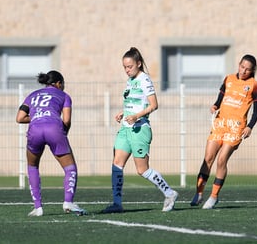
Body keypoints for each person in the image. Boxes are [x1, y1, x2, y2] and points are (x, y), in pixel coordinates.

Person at [102, 47, 178, 213]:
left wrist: (136, 116)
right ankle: (117, 203)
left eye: (129, 66)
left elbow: (153, 105)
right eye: (124, 67)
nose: (127, 70)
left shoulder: (144, 79)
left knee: (142, 170)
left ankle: (170, 193)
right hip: (125, 129)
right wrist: (123, 113)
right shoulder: (130, 81)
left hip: (140, 129)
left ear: (138, 63)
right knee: (117, 163)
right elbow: (134, 102)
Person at [190, 54, 257, 209]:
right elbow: (220, 99)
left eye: (247, 69)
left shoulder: (254, 85)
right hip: (220, 123)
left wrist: (250, 126)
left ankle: (214, 196)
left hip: (236, 127)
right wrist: (215, 106)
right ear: (239, 64)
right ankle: (199, 193)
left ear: (252, 71)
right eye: (242, 67)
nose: (243, 71)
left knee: (222, 159)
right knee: (208, 158)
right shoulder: (228, 79)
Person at [16, 70, 86, 217]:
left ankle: (38, 208)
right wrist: (63, 133)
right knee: (70, 168)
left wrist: (37, 115)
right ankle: (68, 202)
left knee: (32, 166)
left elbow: (20, 118)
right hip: (54, 128)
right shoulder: (64, 96)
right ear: (59, 83)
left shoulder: (32, 95)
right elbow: (66, 120)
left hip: (34, 130)